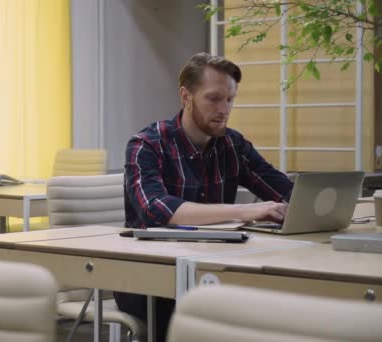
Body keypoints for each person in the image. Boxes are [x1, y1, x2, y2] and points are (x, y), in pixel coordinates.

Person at [115, 52, 294, 342]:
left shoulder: (233, 144)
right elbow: (157, 210)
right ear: (186, 96)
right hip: (149, 278)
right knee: (209, 317)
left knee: (274, 303)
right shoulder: (147, 144)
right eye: (214, 98)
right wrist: (245, 211)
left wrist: (315, 204)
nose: (224, 109)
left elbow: (284, 190)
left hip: (213, 268)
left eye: (230, 99)